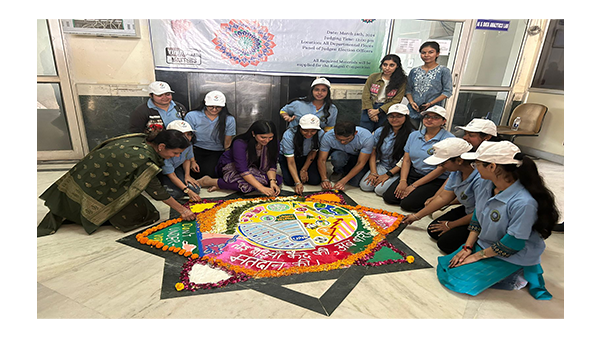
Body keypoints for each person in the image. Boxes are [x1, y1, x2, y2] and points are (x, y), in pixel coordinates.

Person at [437, 141, 559, 300]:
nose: (475, 167)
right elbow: (477, 216)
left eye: (477, 164)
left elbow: (513, 243)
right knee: (446, 267)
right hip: (487, 245)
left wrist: (476, 256)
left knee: (459, 282)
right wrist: (467, 247)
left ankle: (518, 276)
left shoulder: (523, 202)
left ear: (492, 167)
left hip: (512, 253)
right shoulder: (484, 183)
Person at [37, 130, 197, 237]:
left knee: (146, 211)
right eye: (175, 153)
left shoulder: (143, 139)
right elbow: (156, 190)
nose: (176, 157)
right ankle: (86, 212)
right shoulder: (143, 159)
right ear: (161, 147)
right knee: (141, 216)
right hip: (95, 182)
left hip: (91, 173)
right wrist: (182, 210)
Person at [401, 138, 478, 254]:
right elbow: (444, 198)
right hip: (468, 210)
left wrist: (451, 224)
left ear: (459, 160)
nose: (441, 166)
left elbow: (481, 213)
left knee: (445, 244)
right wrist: (416, 216)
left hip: (480, 217)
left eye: (443, 162)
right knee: (433, 231)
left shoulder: (481, 178)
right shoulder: (456, 172)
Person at [382, 105, 455, 212]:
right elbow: (406, 160)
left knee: (407, 205)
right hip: (414, 172)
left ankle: (435, 201)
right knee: (389, 198)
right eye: (427, 117)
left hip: (434, 178)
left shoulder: (449, 139)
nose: (429, 120)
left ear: (443, 121)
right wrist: (403, 181)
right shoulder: (414, 135)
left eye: (435, 117)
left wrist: (414, 186)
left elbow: (441, 168)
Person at [198, 120, 282, 197]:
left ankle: (223, 185)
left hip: (253, 167)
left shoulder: (274, 143)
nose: (267, 140)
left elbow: (272, 164)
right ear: (253, 134)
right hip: (231, 165)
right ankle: (209, 181)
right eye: (263, 137)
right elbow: (242, 169)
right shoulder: (240, 143)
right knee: (246, 186)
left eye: (270, 137)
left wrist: (272, 181)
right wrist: (261, 188)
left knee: (277, 179)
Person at [360, 103, 414, 196]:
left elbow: (406, 159)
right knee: (365, 186)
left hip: (399, 169)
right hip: (383, 165)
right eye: (391, 116)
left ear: (406, 117)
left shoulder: (413, 134)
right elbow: (373, 152)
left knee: (380, 191)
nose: (394, 119)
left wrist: (388, 175)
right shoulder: (380, 131)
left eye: (399, 116)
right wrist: (373, 172)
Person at [184, 90, 236, 178]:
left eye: (218, 107)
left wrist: (229, 160)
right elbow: (187, 140)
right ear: (205, 103)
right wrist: (192, 160)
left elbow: (227, 143)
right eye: (211, 106)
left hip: (216, 151)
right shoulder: (192, 116)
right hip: (196, 149)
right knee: (194, 172)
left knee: (210, 174)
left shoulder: (229, 119)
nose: (214, 109)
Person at [157, 121, 202, 218]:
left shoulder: (188, 145)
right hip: (165, 173)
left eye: (189, 134)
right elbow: (171, 175)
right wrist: (187, 191)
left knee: (195, 189)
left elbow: (186, 159)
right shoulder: (165, 151)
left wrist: (187, 176)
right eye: (182, 134)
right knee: (175, 194)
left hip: (176, 169)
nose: (187, 137)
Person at [405, 41, 453, 129]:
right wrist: (411, 102)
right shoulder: (414, 71)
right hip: (413, 109)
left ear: (437, 54)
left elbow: (447, 92)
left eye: (431, 52)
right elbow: (408, 90)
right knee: (410, 133)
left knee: (428, 135)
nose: (426, 55)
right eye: (423, 53)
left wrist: (430, 103)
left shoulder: (443, 71)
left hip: (433, 110)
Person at [317, 121, 374, 191]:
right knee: (337, 157)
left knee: (355, 182)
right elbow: (322, 159)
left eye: (347, 139)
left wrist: (343, 181)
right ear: (334, 133)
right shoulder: (328, 136)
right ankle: (338, 171)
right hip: (340, 154)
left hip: (357, 157)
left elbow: (360, 163)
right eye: (339, 139)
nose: (342, 142)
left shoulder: (366, 137)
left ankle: (346, 172)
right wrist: (324, 179)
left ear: (355, 133)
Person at [279, 114, 324, 195]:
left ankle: (300, 169)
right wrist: (297, 182)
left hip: (306, 156)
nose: (309, 134)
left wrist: (304, 169)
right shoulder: (289, 135)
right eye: (305, 130)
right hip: (289, 158)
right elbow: (291, 161)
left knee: (315, 180)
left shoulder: (320, 134)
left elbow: (313, 151)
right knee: (289, 181)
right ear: (300, 128)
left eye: (313, 131)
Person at [360, 54, 407, 132]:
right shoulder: (373, 77)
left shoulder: (402, 81)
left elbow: (396, 100)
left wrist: (378, 111)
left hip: (386, 110)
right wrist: (371, 111)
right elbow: (366, 95)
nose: (387, 68)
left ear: (397, 66)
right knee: (365, 133)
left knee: (381, 133)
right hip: (369, 108)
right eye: (385, 65)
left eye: (391, 65)